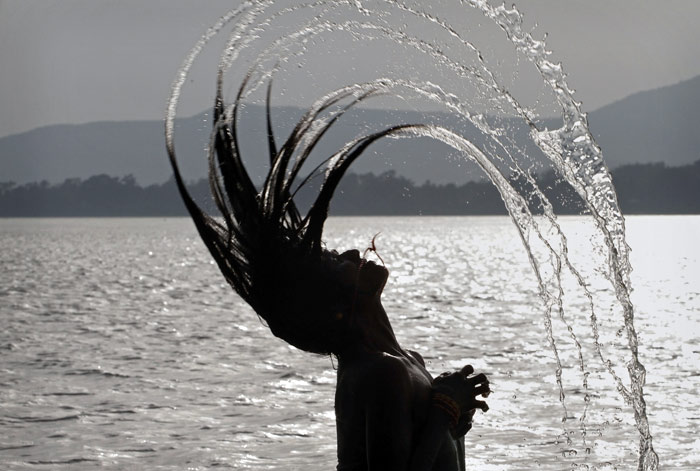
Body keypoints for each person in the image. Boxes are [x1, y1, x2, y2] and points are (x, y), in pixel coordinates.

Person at [165, 76, 490, 470]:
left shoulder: (404, 362)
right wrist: (443, 412)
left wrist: (454, 423)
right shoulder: (380, 373)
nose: (353, 252)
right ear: (335, 299)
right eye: (335, 260)